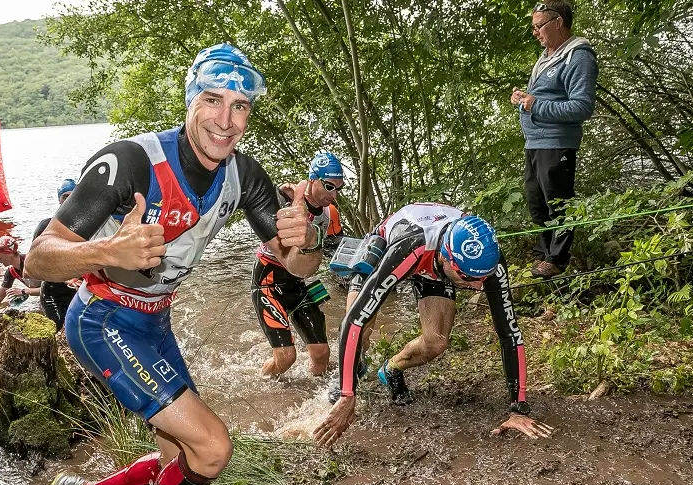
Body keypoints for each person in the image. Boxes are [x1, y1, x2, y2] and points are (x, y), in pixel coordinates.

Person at [26, 43, 320, 485]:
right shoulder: (132, 162)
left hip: (154, 320)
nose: (225, 121)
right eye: (213, 100)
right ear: (189, 101)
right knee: (212, 448)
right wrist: (106, 251)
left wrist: (304, 239)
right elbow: (38, 257)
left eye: (240, 106)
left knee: (177, 461)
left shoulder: (243, 176)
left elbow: (297, 269)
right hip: (102, 318)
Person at [314, 203, 555, 449]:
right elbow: (352, 322)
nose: (476, 287)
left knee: (436, 341)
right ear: (446, 256)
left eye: (482, 279)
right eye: (468, 278)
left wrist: (519, 408)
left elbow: (509, 332)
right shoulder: (410, 247)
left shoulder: (486, 259)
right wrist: (347, 396)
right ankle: (344, 381)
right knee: (361, 332)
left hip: (434, 268)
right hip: (388, 249)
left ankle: (391, 370)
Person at [511, 0, 598, 278]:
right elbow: (543, 99)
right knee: (536, 201)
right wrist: (522, 99)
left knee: (558, 201)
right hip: (534, 142)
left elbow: (581, 107)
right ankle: (545, 252)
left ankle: (558, 260)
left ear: (557, 21)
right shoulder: (548, 56)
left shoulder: (578, 56)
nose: (534, 32)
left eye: (538, 26)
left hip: (557, 142)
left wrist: (534, 104)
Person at [253, 152, 343, 377]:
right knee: (286, 358)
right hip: (268, 281)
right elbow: (268, 220)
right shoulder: (287, 198)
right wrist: (283, 199)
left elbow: (322, 249)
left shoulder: (328, 213)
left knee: (322, 354)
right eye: (329, 186)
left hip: (297, 282)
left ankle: (314, 398)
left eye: (338, 188)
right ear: (312, 179)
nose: (333, 194)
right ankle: (264, 383)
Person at [32, 179, 82, 331]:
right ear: (59, 200)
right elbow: (35, 263)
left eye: (73, 196)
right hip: (54, 292)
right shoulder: (46, 226)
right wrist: (66, 278)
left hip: (79, 290)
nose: (69, 201)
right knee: (58, 327)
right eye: (65, 197)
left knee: (80, 330)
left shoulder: (88, 225)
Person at [0, 236, 41, 311]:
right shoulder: (11, 272)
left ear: (9, 253)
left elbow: (53, 288)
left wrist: (24, 291)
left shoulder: (34, 263)